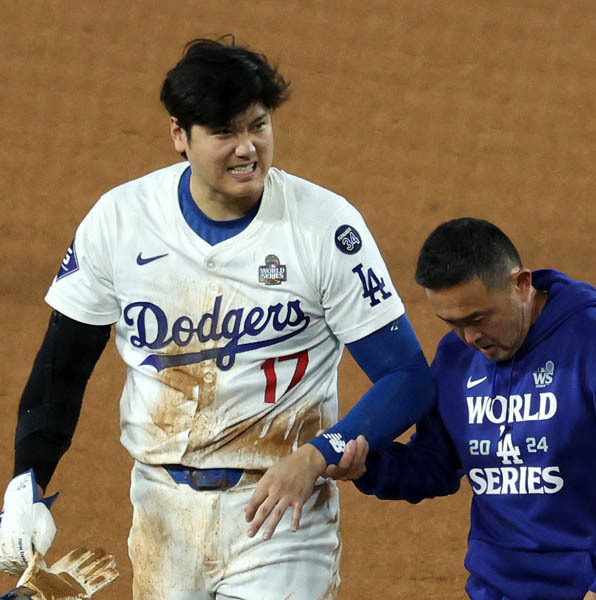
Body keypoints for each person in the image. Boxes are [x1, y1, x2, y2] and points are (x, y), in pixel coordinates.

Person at [0, 36, 435, 599]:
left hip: (282, 513)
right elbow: (61, 368)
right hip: (161, 512)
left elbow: (408, 377)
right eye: (225, 132)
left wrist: (317, 455)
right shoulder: (121, 221)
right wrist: (27, 482)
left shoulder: (323, 227)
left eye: (258, 125)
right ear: (180, 135)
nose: (247, 147)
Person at [332, 217, 596, 600]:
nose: (470, 337)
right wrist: (369, 465)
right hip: (494, 589)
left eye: (478, 318)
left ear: (521, 284)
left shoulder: (590, 343)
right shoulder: (456, 356)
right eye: (453, 323)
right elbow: (436, 465)